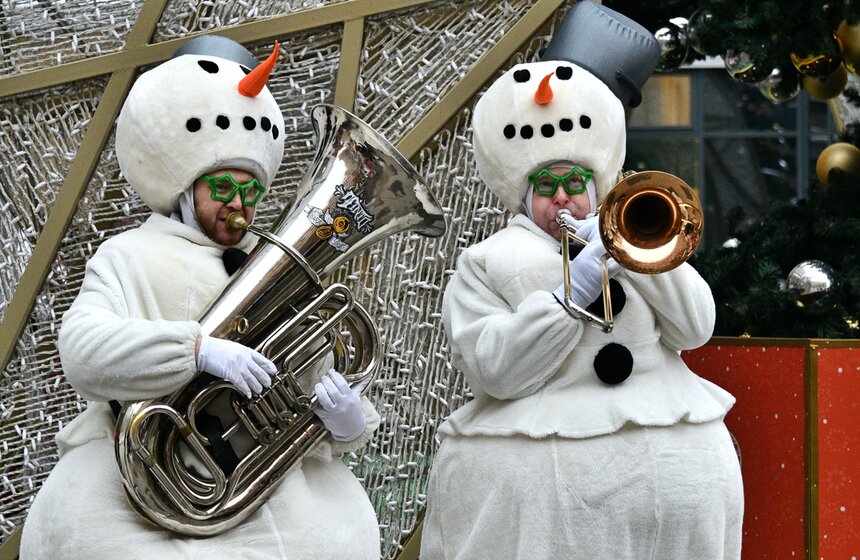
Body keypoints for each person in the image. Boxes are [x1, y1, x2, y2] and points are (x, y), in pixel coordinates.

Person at [19, 36, 380, 560]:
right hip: (138, 479)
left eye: (251, 192)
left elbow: (311, 378)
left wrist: (347, 420)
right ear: (186, 187)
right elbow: (80, 351)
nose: (241, 207)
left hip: (259, 481)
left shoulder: (275, 262)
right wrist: (198, 351)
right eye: (223, 189)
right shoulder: (128, 254)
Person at [420, 2, 743, 559]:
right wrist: (570, 298)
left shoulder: (637, 228)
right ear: (523, 192)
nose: (564, 197)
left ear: (599, 183)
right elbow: (494, 369)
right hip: (548, 493)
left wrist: (638, 256)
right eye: (547, 185)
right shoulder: (487, 260)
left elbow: (695, 328)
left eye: (576, 181)